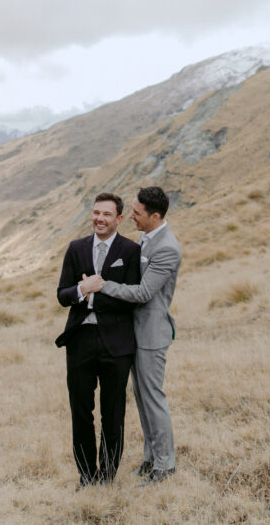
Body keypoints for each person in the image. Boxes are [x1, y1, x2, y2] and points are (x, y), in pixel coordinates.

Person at [79, 186, 181, 484]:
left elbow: (144, 292)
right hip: (135, 332)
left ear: (155, 215)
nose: (132, 217)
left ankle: (165, 465)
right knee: (142, 398)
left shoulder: (167, 247)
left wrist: (101, 285)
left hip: (151, 334)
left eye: (137, 213)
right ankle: (151, 460)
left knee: (153, 399)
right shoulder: (147, 239)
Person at [55, 192, 141, 487]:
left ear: (118, 219)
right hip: (80, 340)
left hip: (116, 344)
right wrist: (81, 289)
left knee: (113, 413)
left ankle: (107, 476)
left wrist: (96, 292)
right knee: (80, 411)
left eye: (106, 214)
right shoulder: (75, 248)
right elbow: (62, 295)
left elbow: (131, 299)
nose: (99, 219)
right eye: (96, 213)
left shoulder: (130, 251)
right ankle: (86, 475)